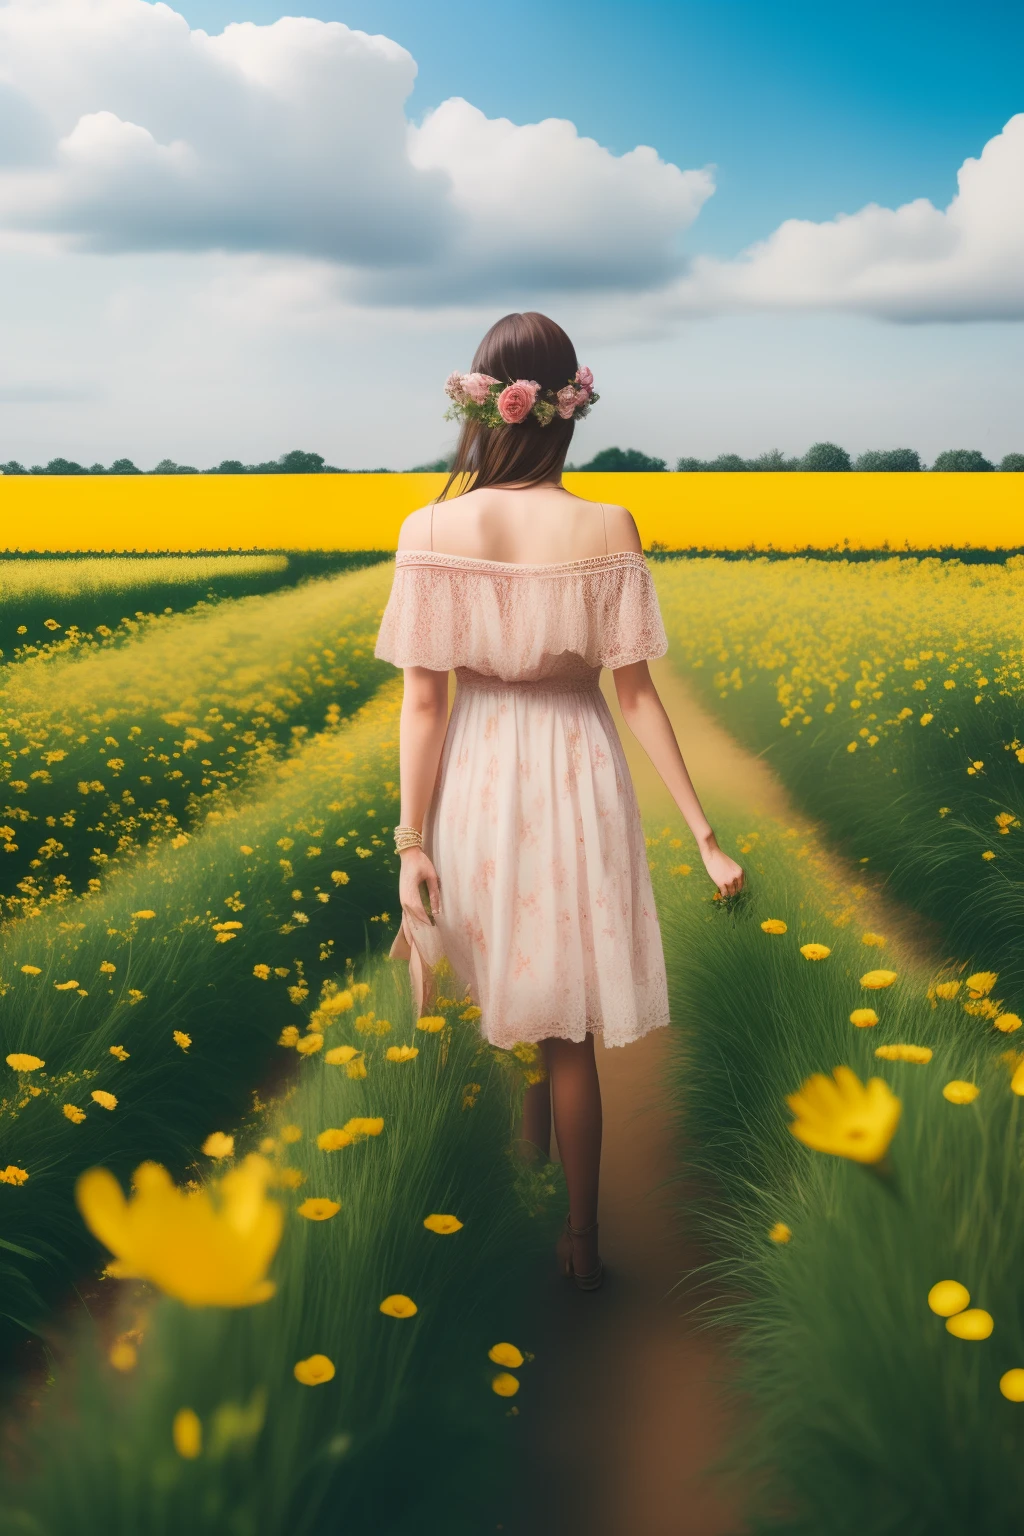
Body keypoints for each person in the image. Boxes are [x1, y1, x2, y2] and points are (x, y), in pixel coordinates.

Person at [374, 311, 743, 1290]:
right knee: (569, 1021)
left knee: (505, 992)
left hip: (480, 765)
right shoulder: (607, 526)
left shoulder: (430, 528)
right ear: (568, 405)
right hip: (579, 765)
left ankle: (526, 1175)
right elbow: (634, 695)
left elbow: (423, 700)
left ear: (480, 402)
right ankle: (580, 1239)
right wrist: (705, 836)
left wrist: (412, 839)